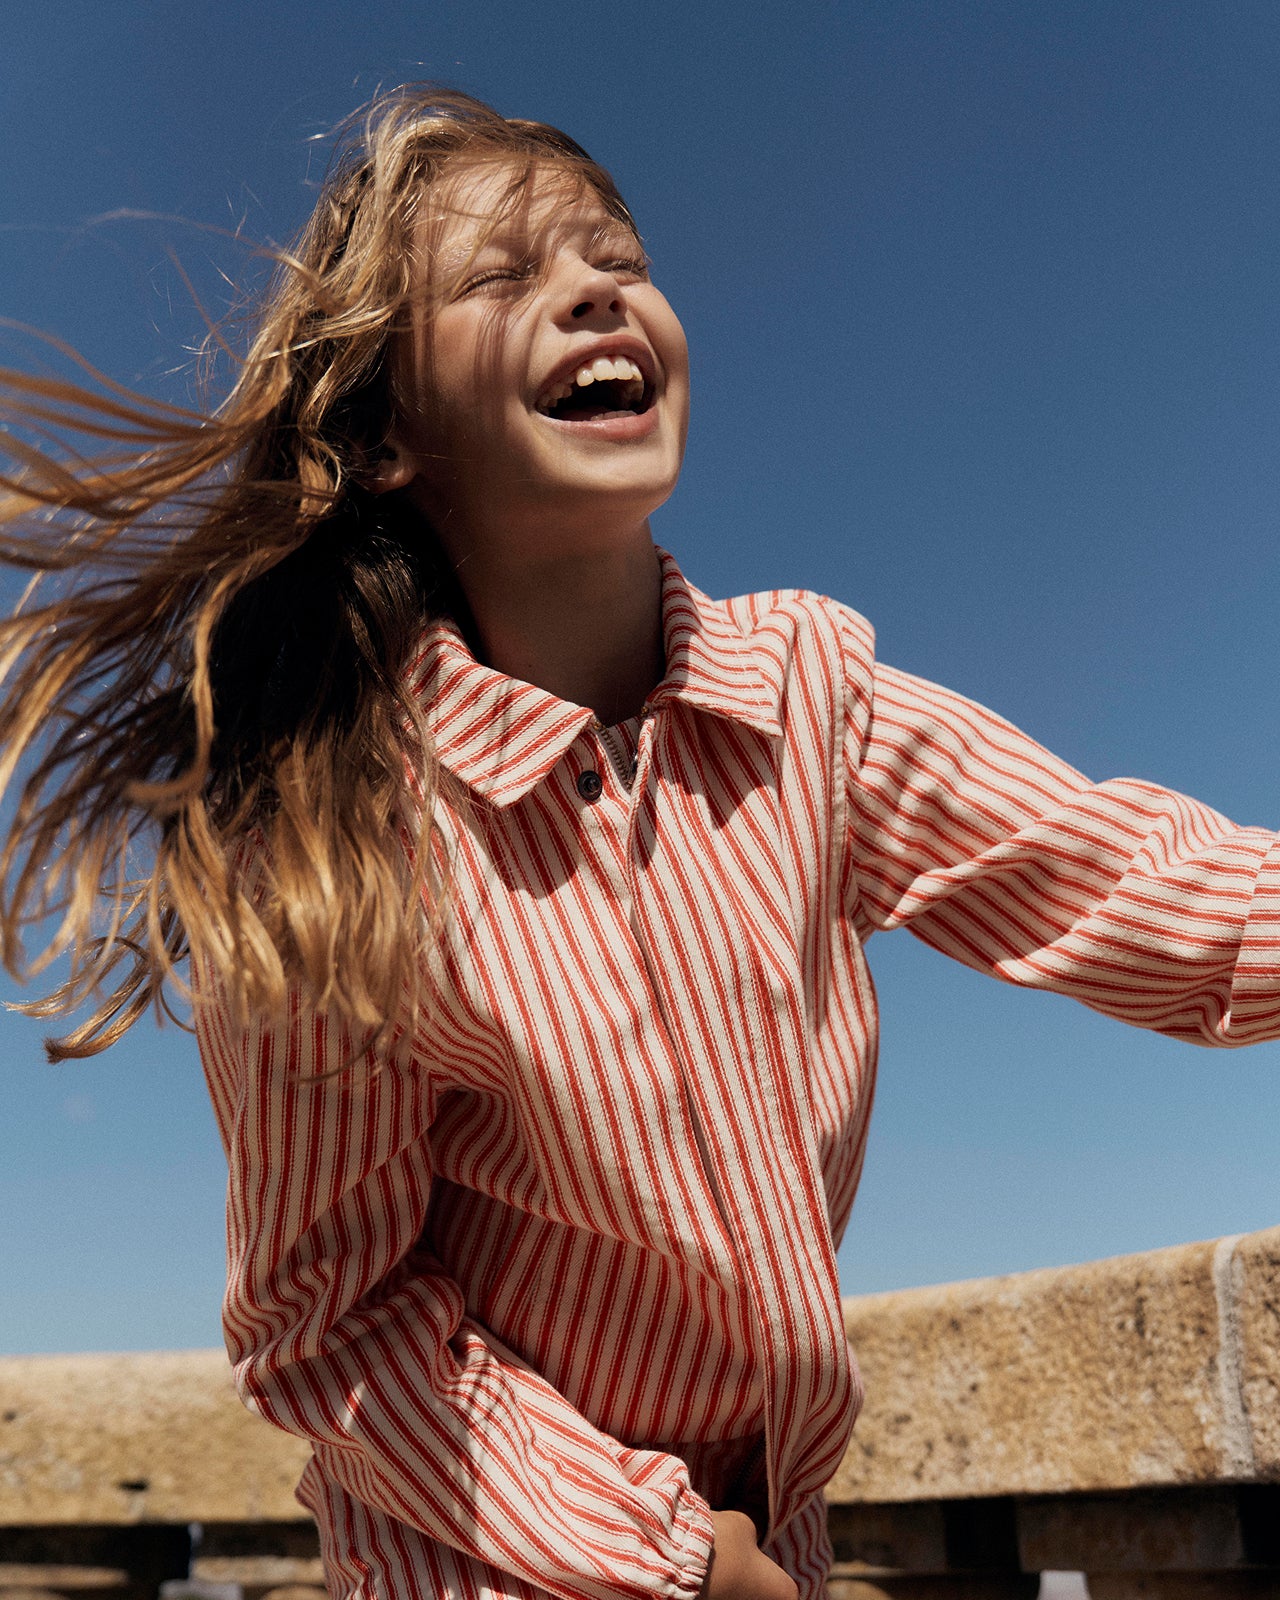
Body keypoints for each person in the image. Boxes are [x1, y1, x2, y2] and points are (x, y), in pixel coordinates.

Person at [1, 85, 1277, 1600]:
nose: (594, 291)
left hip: (766, 1549)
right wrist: (673, 1560)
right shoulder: (335, 844)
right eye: (502, 277)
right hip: (492, 1567)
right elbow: (323, 1324)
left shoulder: (811, 700)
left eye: (618, 258)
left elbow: (1150, 890)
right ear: (391, 433)